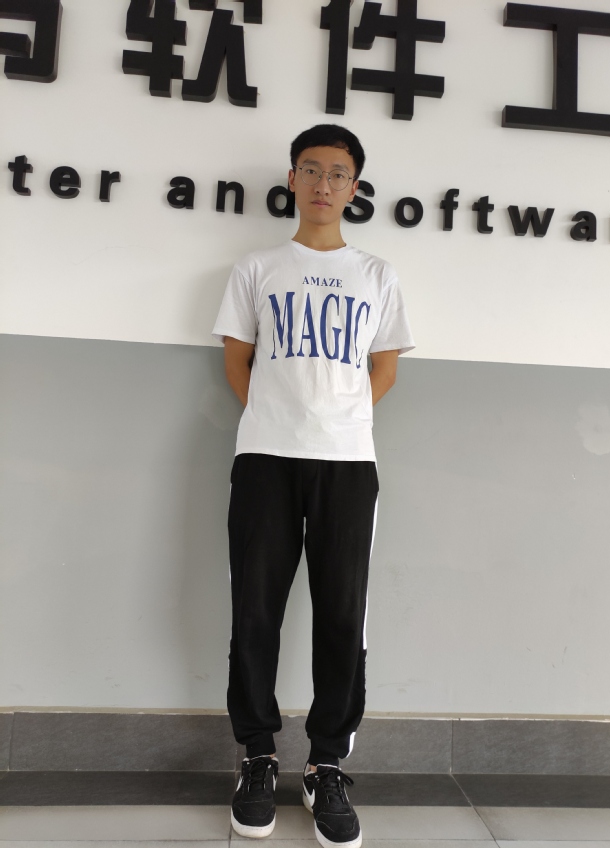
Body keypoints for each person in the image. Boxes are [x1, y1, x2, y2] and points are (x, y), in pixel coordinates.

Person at [210, 123, 415, 847]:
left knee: (342, 614)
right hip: (264, 457)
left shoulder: (377, 275)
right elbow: (236, 361)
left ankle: (326, 763)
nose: (323, 184)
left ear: (354, 187)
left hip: (348, 462)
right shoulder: (257, 268)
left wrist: (335, 419)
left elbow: (384, 369)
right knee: (255, 608)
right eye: (311, 169)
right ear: (292, 179)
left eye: (337, 173)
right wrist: (280, 418)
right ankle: (257, 755)